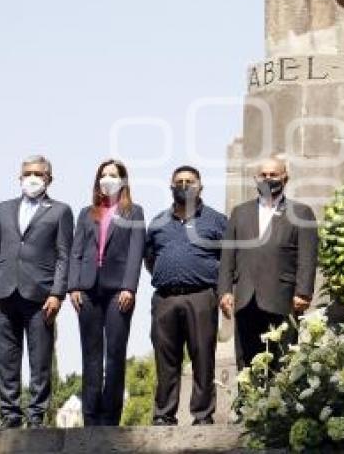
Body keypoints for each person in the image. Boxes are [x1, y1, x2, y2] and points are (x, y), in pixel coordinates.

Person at [0, 155, 74, 428]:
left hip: (40, 296)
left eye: (39, 174)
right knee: (6, 359)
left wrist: (57, 293)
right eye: (28, 173)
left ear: (49, 179)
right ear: (20, 177)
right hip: (4, 292)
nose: (32, 178)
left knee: (40, 359)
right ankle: (10, 415)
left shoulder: (60, 211)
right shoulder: (3, 209)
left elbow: (64, 256)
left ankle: (36, 416)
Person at [145, 166, 227, 426]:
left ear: (200, 186)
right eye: (178, 181)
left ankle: (202, 415)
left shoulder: (217, 221)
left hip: (202, 297)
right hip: (165, 299)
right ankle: (164, 415)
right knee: (166, 360)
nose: (184, 185)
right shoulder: (158, 222)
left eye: (189, 181)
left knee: (203, 356)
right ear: (171, 186)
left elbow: (228, 260)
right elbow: (150, 258)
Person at [218, 156, 318, 369]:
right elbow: (228, 256)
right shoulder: (240, 213)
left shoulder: (301, 212)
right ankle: (248, 403)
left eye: (273, 174)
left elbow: (307, 255)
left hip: (283, 299)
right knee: (247, 365)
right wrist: (225, 291)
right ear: (256, 178)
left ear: (285, 178)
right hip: (246, 300)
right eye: (263, 175)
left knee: (282, 362)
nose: (268, 178)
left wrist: (304, 292)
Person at [68, 159, 145, 426]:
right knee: (90, 354)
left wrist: (130, 287)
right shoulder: (86, 213)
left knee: (114, 354)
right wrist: (73, 285)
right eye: (103, 175)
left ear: (123, 181)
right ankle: (91, 417)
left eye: (113, 175)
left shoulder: (133, 212)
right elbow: (76, 251)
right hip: (87, 290)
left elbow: (136, 251)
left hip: (118, 292)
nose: (107, 179)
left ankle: (110, 418)